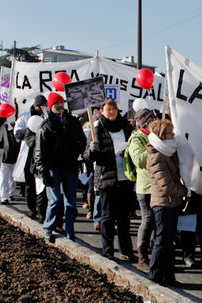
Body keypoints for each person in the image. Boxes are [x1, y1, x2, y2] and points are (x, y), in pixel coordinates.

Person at [84, 98, 135, 261]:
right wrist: (92, 150)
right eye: (108, 109)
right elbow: (87, 157)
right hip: (106, 178)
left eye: (114, 109)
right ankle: (108, 250)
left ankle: (126, 250)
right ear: (102, 111)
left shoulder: (126, 127)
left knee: (124, 218)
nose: (111, 112)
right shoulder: (96, 129)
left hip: (125, 178)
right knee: (107, 217)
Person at [35, 92, 87, 241]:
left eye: (61, 102)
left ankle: (69, 230)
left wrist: (78, 153)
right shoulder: (45, 126)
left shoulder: (72, 122)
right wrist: (44, 173)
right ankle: (48, 228)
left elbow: (82, 140)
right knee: (55, 201)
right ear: (50, 106)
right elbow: (39, 152)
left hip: (70, 167)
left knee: (71, 203)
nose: (60, 105)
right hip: (53, 168)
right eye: (56, 103)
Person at [146, 118, 189, 286]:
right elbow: (166, 185)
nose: (174, 135)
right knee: (162, 239)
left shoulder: (169, 152)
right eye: (170, 133)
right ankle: (155, 274)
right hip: (163, 204)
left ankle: (169, 276)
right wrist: (185, 193)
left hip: (172, 202)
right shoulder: (156, 156)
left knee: (169, 241)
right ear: (162, 136)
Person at [125, 108, 158, 273]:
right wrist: (154, 145)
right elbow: (139, 161)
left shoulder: (155, 135)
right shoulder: (137, 138)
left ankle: (155, 254)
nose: (155, 122)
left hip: (159, 186)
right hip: (145, 187)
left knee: (157, 222)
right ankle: (142, 258)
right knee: (148, 220)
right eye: (152, 120)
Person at [14, 95, 48, 220]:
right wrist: (30, 131)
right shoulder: (25, 117)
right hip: (29, 152)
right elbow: (17, 133)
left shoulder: (47, 117)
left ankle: (42, 209)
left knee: (42, 182)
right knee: (30, 182)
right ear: (36, 106)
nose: (43, 108)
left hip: (42, 153)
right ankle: (32, 208)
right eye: (41, 105)